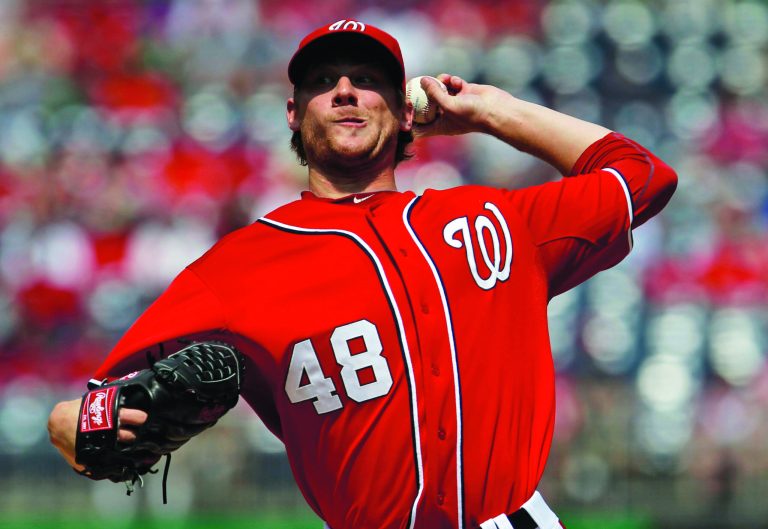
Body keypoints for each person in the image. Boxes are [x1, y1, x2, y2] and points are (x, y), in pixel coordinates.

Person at [48, 19, 677, 529]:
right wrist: (76, 427)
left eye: (369, 79)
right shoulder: (236, 268)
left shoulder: (491, 218)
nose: (346, 90)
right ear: (293, 114)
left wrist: (493, 113)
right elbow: (85, 413)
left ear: (406, 111)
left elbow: (644, 177)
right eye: (325, 81)